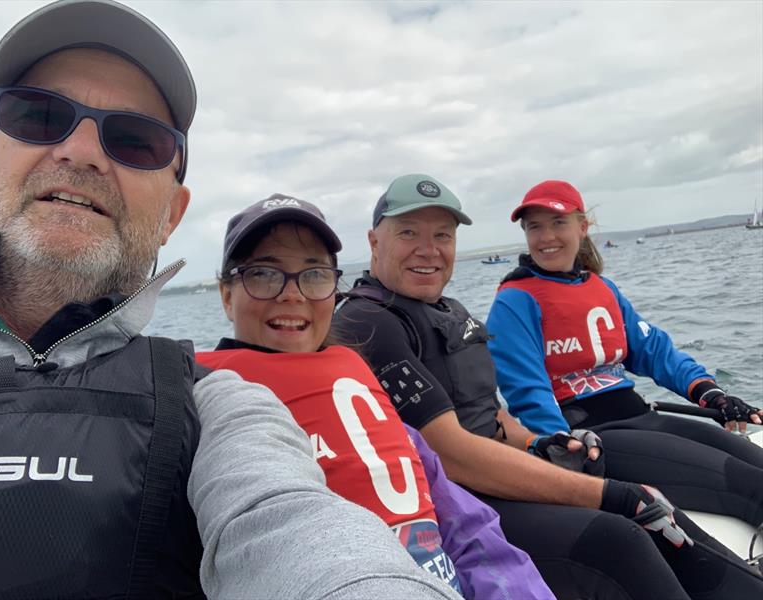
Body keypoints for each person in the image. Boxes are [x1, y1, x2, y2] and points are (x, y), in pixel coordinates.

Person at [0, 3, 464, 599]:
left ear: (173, 214)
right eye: (39, 116)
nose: (80, 151)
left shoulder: (212, 404)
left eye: (135, 140)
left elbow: (288, 518)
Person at [332, 173, 763, 599]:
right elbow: (454, 451)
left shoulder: (449, 310)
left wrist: (541, 444)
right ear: (374, 242)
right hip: (458, 501)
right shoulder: (369, 323)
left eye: (442, 235)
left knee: (659, 511)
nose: (429, 249)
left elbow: (491, 414)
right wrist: (605, 490)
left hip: (506, 469)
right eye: (409, 232)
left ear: (582, 228)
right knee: (621, 536)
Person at [195, 194, 556, 599]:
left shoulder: (354, 379)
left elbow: (467, 525)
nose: (292, 294)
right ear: (227, 295)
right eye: (263, 274)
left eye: (314, 274)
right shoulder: (203, 397)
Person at [486, 179, 763, 528]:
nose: (545, 238)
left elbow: (653, 350)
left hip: (641, 418)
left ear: (582, 228)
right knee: (751, 487)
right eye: (534, 227)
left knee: (755, 461)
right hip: (593, 436)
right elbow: (527, 391)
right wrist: (566, 451)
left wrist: (711, 393)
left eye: (558, 223)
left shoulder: (602, 288)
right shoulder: (515, 300)